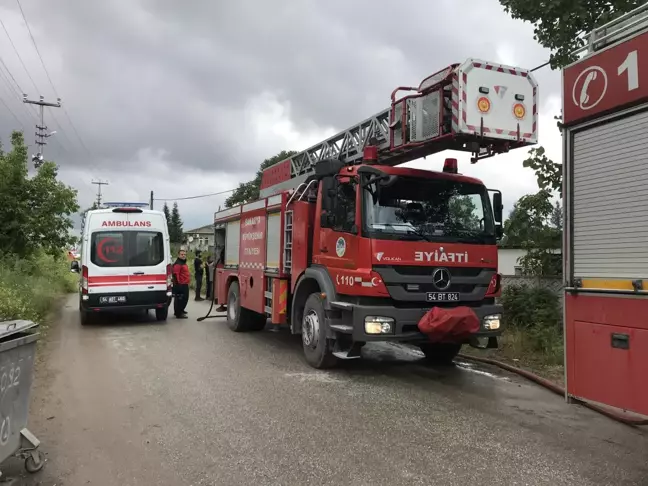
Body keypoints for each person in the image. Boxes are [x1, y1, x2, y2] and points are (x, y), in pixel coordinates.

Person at [172, 248, 190, 319]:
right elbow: (176, 275)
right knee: (182, 299)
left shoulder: (182, 262)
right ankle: (179, 313)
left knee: (181, 299)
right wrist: (178, 285)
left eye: (185, 254)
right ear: (178, 255)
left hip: (184, 283)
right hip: (181, 284)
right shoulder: (178, 264)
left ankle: (179, 310)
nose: (183, 256)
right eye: (182, 254)